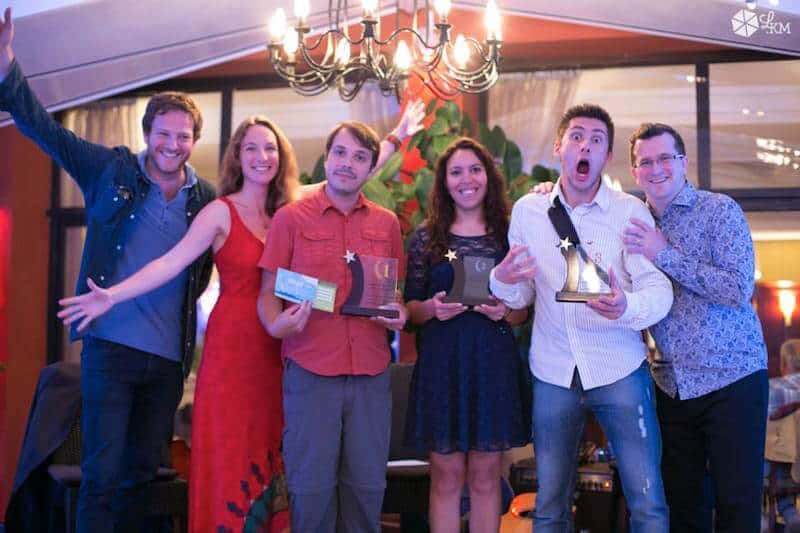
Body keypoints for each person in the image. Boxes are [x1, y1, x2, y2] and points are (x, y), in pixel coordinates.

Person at [0, 8, 217, 532]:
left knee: (140, 478)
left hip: (167, 361)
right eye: (163, 134)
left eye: (183, 136)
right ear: (147, 133)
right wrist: (7, 63)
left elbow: (205, 273)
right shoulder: (109, 169)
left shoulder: (205, 198)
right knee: (100, 475)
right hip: (110, 351)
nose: (172, 144)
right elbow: (43, 129)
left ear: (194, 139)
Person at [58, 115, 300, 532]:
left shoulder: (287, 215)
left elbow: (296, 276)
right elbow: (170, 263)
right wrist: (112, 295)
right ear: (237, 157)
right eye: (251, 148)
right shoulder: (219, 211)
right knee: (229, 454)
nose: (262, 156)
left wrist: (348, 303)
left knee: (272, 451)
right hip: (231, 353)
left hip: (277, 352)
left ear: (281, 156)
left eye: (270, 148)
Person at [489, 104, 673, 532]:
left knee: (647, 501)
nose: (585, 145)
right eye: (576, 136)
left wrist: (626, 306)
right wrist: (501, 278)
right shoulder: (529, 212)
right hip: (553, 372)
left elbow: (659, 289)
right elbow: (521, 295)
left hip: (619, 369)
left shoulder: (629, 211)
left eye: (596, 140)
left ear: (607, 156)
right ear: (559, 147)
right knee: (549, 505)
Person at [257, 119, 411, 533]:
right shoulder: (290, 219)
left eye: (360, 157)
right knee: (310, 492)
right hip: (310, 373)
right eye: (340, 153)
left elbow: (394, 295)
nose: (347, 163)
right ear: (327, 159)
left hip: (371, 375)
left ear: (371, 167)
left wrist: (399, 313)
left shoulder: (387, 224)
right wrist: (276, 324)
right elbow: (268, 292)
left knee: (366, 491)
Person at [624, 122, 768, 532]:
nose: (656, 169)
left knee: (736, 505)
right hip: (671, 385)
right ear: (635, 172)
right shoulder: (632, 222)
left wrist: (664, 254)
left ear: (683, 162)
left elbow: (737, 288)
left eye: (665, 158)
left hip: (733, 378)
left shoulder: (719, 210)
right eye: (645, 162)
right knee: (683, 508)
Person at [403, 137, 530, 533]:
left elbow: (524, 311)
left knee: (486, 477)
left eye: (475, 169)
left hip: (492, 367)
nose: (466, 179)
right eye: (456, 172)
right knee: (445, 476)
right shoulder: (426, 237)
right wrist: (432, 309)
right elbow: (410, 310)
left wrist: (503, 310)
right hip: (443, 367)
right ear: (444, 181)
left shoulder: (510, 235)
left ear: (488, 176)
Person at [766, 339, 800, 532]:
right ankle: (790, 515)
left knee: (770, 449)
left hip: (779, 471)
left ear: (784, 363)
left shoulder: (772, 388)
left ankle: (787, 514)